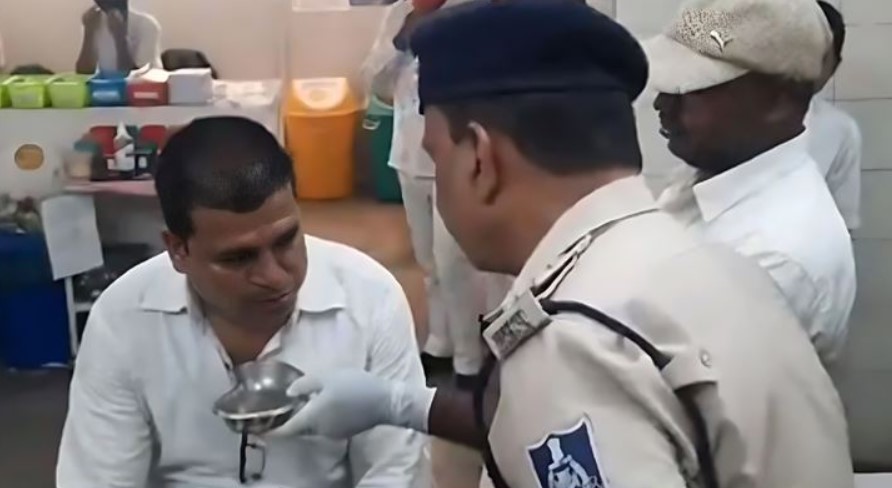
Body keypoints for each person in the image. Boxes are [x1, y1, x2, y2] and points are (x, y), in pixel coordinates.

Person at [268, 1, 854, 487]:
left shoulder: (576, 345)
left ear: (480, 159)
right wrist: (400, 404)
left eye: (437, 158)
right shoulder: (689, 256)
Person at [56, 117, 426, 487]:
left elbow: (394, 471)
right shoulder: (123, 318)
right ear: (178, 250)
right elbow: (98, 479)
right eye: (238, 258)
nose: (275, 277)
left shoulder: (370, 300)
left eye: (286, 240)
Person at [646, 0, 856, 363]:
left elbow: (665, 380)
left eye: (692, 89)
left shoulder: (772, 257)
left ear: (778, 101)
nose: (662, 104)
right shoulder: (714, 172)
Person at [361, 0, 510, 389]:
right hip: (409, 155)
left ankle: (470, 360)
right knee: (428, 261)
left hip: (459, 157)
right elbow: (376, 84)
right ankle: (440, 343)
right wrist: (404, 35)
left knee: (455, 261)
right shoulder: (399, 14)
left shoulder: (476, 10)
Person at [806, 0, 863, 231]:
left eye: (819, 58)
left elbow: (843, 223)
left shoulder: (840, 130)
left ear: (833, 67)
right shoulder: (732, 115)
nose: (804, 66)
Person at [76, 0, 162, 74]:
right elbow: (83, 73)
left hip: (147, 86)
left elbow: (138, 78)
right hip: (109, 87)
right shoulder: (94, 21)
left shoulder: (146, 25)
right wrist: (89, 32)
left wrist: (120, 37)